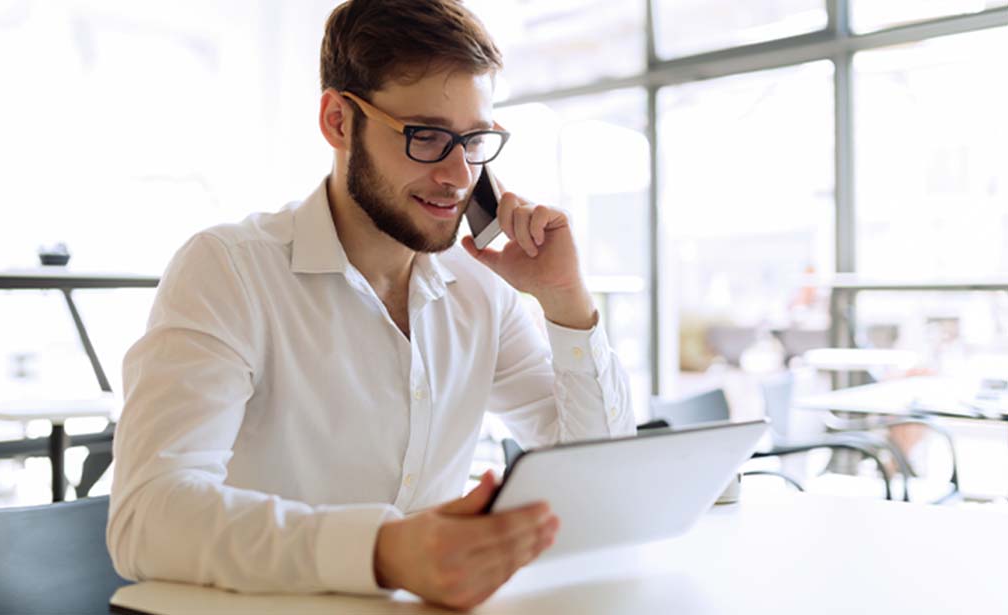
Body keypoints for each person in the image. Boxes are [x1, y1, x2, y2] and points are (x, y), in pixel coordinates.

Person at [106, 0, 635, 609]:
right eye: (426, 136)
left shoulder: (481, 287)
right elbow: (147, 517)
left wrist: (565, 303)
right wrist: (383, 551)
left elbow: (601, 477)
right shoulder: (229, 271)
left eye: (473, 140)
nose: (459, 175)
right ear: (338, 121)